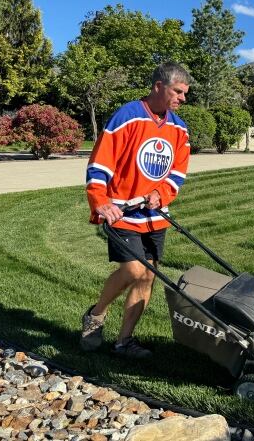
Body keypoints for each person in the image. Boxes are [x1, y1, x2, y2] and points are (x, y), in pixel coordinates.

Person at [80, 62, 191, 359]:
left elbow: (178, 172)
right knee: (133, 269)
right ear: (158, 87)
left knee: (147, 277)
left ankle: (123, 342)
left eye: (184, 93)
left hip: (154, 215)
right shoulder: (127, 117)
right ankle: (96, 314)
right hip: (122, 211)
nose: (182, 98)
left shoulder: (179, 128)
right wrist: (100, 200)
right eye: (177, 92)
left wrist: (162, 193)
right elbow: (100, 163)